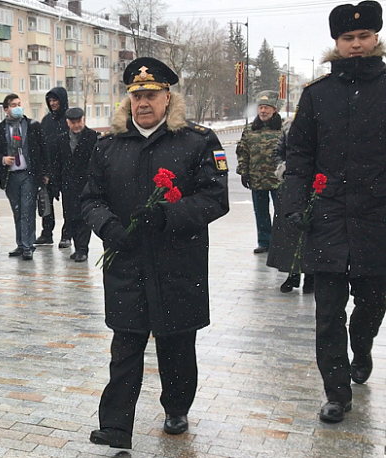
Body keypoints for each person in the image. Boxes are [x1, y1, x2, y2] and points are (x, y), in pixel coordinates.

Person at [82, 57, 229, 450]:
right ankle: (115, 426)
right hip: (126, 261)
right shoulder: (109, 145)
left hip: (178, 261)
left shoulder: (197, 141)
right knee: (126, 345)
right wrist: (109, 227)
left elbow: (215, 198)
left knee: (176, 342)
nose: (143, 103)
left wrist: (170, 216)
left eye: (151, 95)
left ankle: (176, 406)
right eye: (136, 96)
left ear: (168, 98)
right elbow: (90, 199)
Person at [284, 0, 386, 424]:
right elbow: (300, 156)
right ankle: (336, 392)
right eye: (348, 38)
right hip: (326, 220)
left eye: (363, 36)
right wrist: (294, 208)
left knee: (371, 304)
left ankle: (361, 347)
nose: (356, 44)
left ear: (376, 37)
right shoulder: (316, 95)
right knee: (327, 313)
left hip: (378, 219)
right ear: (337, 43)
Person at [0, 94, 47, 261]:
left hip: (28, 173)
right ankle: (20, 244)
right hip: (10, 175)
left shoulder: (31, 126)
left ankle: (29, 246)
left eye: (19, 104)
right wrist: (2, 159)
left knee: (27, 209)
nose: (18, 107)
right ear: (6, 109)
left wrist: (44, 173)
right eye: (13, 105)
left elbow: (42, 149)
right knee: (17, 210)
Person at [267, 118, 314, 293]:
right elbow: (277, 153)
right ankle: (292, 273)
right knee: (289, 233)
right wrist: (284, 168)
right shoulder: (289, 129)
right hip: (291, 186)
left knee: (310, 231)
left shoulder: (323, 127)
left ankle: (311, 275)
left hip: (314, 188)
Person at [236, 90, 282, 254]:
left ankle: (280, 241)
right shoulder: (250, 129)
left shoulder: (283, 129)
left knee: (281, 212)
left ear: (274, 109)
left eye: (266, 108)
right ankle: (264, 242)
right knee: (261, 212)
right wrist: (243, 171)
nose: (263, 111)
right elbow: (243, 152)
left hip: (279, 180)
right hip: (257, 179)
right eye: (260, 107)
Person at [53, 107, 96, 262]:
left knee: (84, 218)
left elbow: (97, 163)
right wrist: (55, 185)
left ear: (83, 120)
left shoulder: (93, 138)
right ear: (67, 122)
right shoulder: (61, 139)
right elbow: (57, 164)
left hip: (86, 185)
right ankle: (78, 247)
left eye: (79, 121)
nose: (76, 125)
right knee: (70, 216)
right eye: (73, 122)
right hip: (68, 186)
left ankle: (83, 249)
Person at [37, 87, 69, 248]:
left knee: (68, 205)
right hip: (49, 169)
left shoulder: (69, 119)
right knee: (46, 203)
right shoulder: (46, 121)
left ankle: (67, 235)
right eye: (50, 100)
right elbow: (42, 146)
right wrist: (45, 170)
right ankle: (46, 233)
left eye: (55, 100)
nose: (53, 103)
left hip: (66, 169)